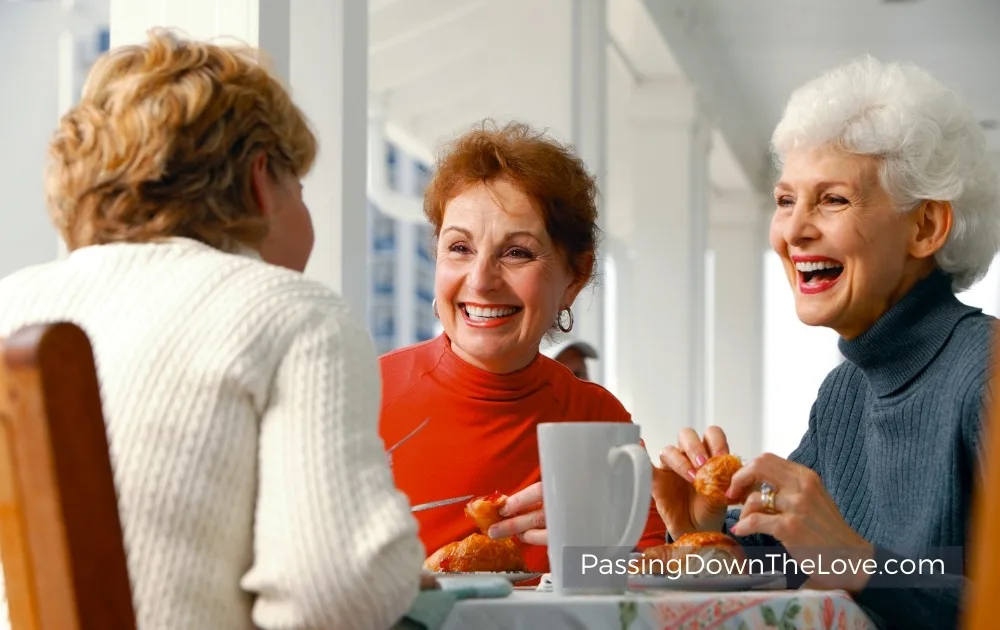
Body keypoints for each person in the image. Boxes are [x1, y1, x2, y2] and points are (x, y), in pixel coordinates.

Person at [0, 30, 425, 630]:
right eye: (298, 189)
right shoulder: (295, 314)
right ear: (260, 182)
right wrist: (398, 567)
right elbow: (335, 595)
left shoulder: (11, 303)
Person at [651, 57, 998, 630]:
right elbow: (790, 563)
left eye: (833, 200)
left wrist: (858, 563)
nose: (794, 231)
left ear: (925, 227)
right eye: (786, 200)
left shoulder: (986, 373)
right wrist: (705, 529)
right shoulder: (844, 392)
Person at [379, 121, 667, 573]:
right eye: (459, 248)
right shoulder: (363, 398)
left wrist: (600, 552)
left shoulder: (598, 422)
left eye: (517, 253)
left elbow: (651, 600)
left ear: (575, 276)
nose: (480, 281)